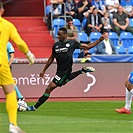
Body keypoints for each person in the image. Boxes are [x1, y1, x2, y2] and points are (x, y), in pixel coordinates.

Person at [26, 27, 105, 111]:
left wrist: (99, 40)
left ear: (65, 35)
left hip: (65, 71)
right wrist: (44, 70)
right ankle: (81, 71)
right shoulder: (56, 45)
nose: (58, 36)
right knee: (62, 83)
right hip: (59, 71)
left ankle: (34, 107)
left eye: (60, 35)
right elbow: (51, 58)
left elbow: (88, 46)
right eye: (58, 35)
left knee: (49, 88)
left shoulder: (72, 43)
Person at [0, 2, 35, 133]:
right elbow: (19, 42)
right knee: (10, 92)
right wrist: (29, 54)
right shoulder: (7, 25)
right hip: (1, 63)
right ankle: (13, 125)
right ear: (2, 11)